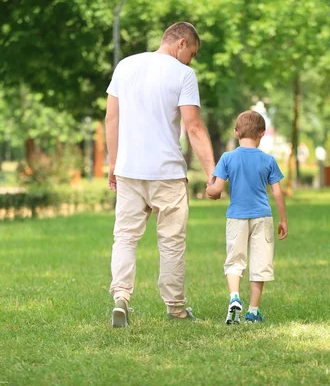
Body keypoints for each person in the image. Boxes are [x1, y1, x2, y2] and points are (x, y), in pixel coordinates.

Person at [105, 22, 217, 328]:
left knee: (125, 238)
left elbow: (111, 117)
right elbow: (193, 126)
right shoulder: (183, 74)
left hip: (129, 170)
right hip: (166, 172)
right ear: (182, 44)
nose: (191, 60)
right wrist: (212, 173)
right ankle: (176, 308)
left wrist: (113, 163)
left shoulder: (125, 66)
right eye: (191, 53)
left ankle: (121, 299)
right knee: (171, 242)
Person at [206, 110, 288, 324]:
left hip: (236, 217)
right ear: (261, 133)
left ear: (235, 133)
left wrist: (210, 190)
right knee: (260, 263)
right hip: (262, 217)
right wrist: (283, 220)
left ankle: (234, 299)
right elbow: (277, 192)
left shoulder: (227, 158)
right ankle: (252, 311)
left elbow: (216, 189)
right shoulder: (268, 160)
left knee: (234, 260)